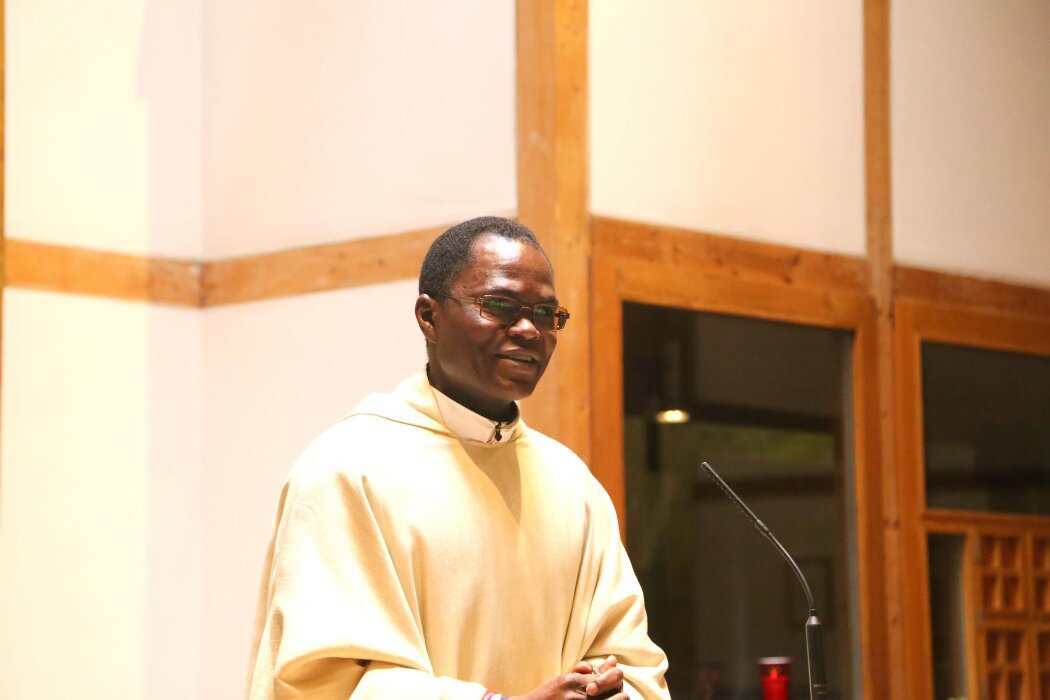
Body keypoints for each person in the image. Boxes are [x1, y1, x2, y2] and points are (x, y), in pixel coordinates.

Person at [246, 216, 670, 699]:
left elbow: (632, 663)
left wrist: (607, 691)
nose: (529, 330)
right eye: (500, 306)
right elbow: (319, 678)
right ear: (429, 316)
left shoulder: (573, 485)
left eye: (545, 314)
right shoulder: (347, 469)